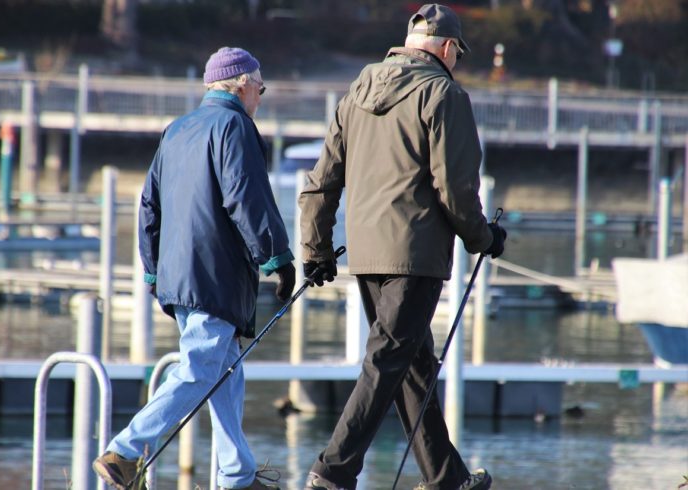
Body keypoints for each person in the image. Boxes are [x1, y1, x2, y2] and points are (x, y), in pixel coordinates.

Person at [298, 5, 506, 490]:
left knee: (411, 365)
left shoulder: (358, 88)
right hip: (414, 256)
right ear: (448, 48)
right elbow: (455, 188)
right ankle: (333, 471)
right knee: (388, 360)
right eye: (458, 54)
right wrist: (484, 238)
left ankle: (446, 478)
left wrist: (316, 249)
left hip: (367, 253)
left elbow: (321, 181)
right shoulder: (445, 94)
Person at [93, 46, 295, 490]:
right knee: (200, 369)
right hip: (214, 274)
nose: (260, 98)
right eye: (260, 89)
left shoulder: (178, 129)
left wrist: (153, 270)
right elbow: (246, 196)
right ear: (242, 85)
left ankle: (237, 475)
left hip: (179, 276)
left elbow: (149, 205)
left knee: (225, 373)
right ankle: (124, 451)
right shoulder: (235, 126)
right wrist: (278, 257)